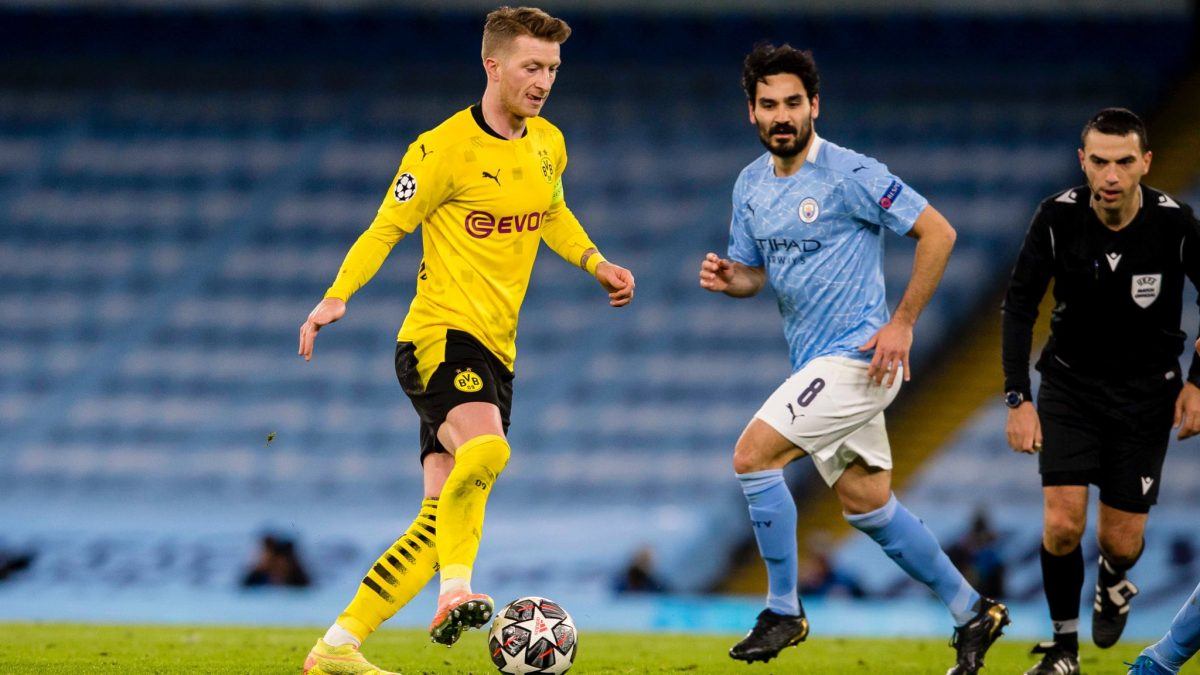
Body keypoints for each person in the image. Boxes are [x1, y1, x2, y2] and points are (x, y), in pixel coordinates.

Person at [296, 7, 635, 673]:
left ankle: (337, 645)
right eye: (532, 67)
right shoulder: (441, 148)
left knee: (434, 520)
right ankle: (455, 592)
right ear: (493, 66)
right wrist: (338, 294)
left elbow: (552, 209)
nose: (543, 82)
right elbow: (385, 228)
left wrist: (595, 261)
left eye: (553, 70)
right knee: (488, 446)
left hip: (497, 351)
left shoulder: (548, 143)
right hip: (438, 338)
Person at [699, 42, 1007, 674]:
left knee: (752, 456)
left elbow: (939, 233)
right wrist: (734, 278)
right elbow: (755, 274)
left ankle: (783, 609)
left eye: (792, 103)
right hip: (814, 366)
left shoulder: (851, 173)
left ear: (815, 106)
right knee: (868, 504)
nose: (781, 115)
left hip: (859, 361)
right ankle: (971, 609)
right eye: (768, 105)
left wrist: (903, 323)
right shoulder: (750, 186)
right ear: (751, 114)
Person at [1001, 107, 1200, 675]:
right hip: (1070, 385)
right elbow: (1019, 306)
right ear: (1082, 162)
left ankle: (1114, 580)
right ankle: (1063, 651)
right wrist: (1018, 398)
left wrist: (1198, 385)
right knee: (1062, 525)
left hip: (1146, 396)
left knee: (1121, 541)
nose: (1111, 176)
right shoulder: (1056, 218)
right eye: (1100, 162)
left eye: (1124, 162)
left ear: (1146, 163)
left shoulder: (1174, 223)